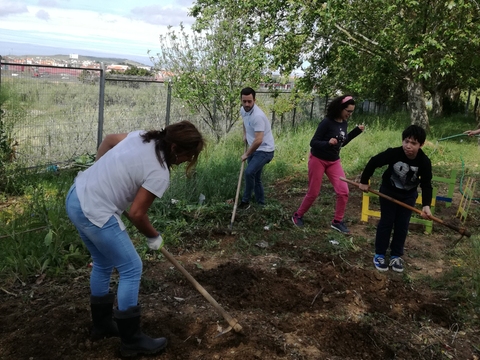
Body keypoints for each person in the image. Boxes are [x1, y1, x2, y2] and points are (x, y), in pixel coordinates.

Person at [66, 121, 205, 357]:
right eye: (187, 155)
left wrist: (100, 174)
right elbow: (137, 214)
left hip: (76, 196)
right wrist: (154, 237)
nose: (184, 162)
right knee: (131, 267)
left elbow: (109, 139)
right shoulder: (159, 173)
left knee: (102, 263)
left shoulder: (143, 136)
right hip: (95, 210)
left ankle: (101, 326)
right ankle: (131, 340)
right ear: (174, 148)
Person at [358, 124, 432, 273]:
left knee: (402, 225)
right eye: (406, 141)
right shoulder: (394, 153)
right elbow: (374, 161)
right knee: (387, 221)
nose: (408, 146)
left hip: (408, 196)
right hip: (388, 192)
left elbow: (426, 184)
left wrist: (426, 205)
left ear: (421, 145)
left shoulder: (424, 161)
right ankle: (379, 254)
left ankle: (396, 255)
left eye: (413, 143)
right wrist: (364, 181)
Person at [292, 95, 364, 233]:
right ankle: (297, 215)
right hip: (317, 159)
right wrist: (327, 143)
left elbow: (343, 142)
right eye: (348, 111)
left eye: (351, 112)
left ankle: (337, 221)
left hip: (333, 161)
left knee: (343, 191)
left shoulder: (343, 122)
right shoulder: (327, 122)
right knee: (313, 192)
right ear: (340, 108)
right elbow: (313, 143)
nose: (349, 114)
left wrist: (356, 132)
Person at [238, 87, 275, 209]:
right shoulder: (243, 110)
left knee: (249, 173)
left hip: (265, 150)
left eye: (249, 101)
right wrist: (245, 135)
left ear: (254, 100)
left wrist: (247, 154)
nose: (247, 104)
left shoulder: (257, 116)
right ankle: (261, 204)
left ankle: (245, 201)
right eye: (244, 101)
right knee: (256, 177)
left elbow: (259, 140)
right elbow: (244, 122)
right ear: (241, 100)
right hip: (254, 147)